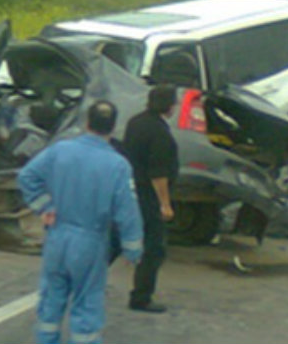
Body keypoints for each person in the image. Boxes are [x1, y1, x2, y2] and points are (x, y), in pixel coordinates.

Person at [18, 100, 143, 344]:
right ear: (113, 128)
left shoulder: (60, 150)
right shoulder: (118, 165)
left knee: (51, 298)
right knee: (87, 303)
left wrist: (44, 206)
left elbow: (27, 176)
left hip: (57, 235)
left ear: (86, 123)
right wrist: (132, 248)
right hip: (90, 241)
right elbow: (127, 211)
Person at [121, 84, 178, 314]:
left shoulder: (136, 122)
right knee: (154, 248)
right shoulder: (160, 133)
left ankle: (84, 282)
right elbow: (158, 174)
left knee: (115, 242)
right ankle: (141, 297)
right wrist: (165, 204)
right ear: (169, 105)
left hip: (129, 191)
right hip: (148, 197)